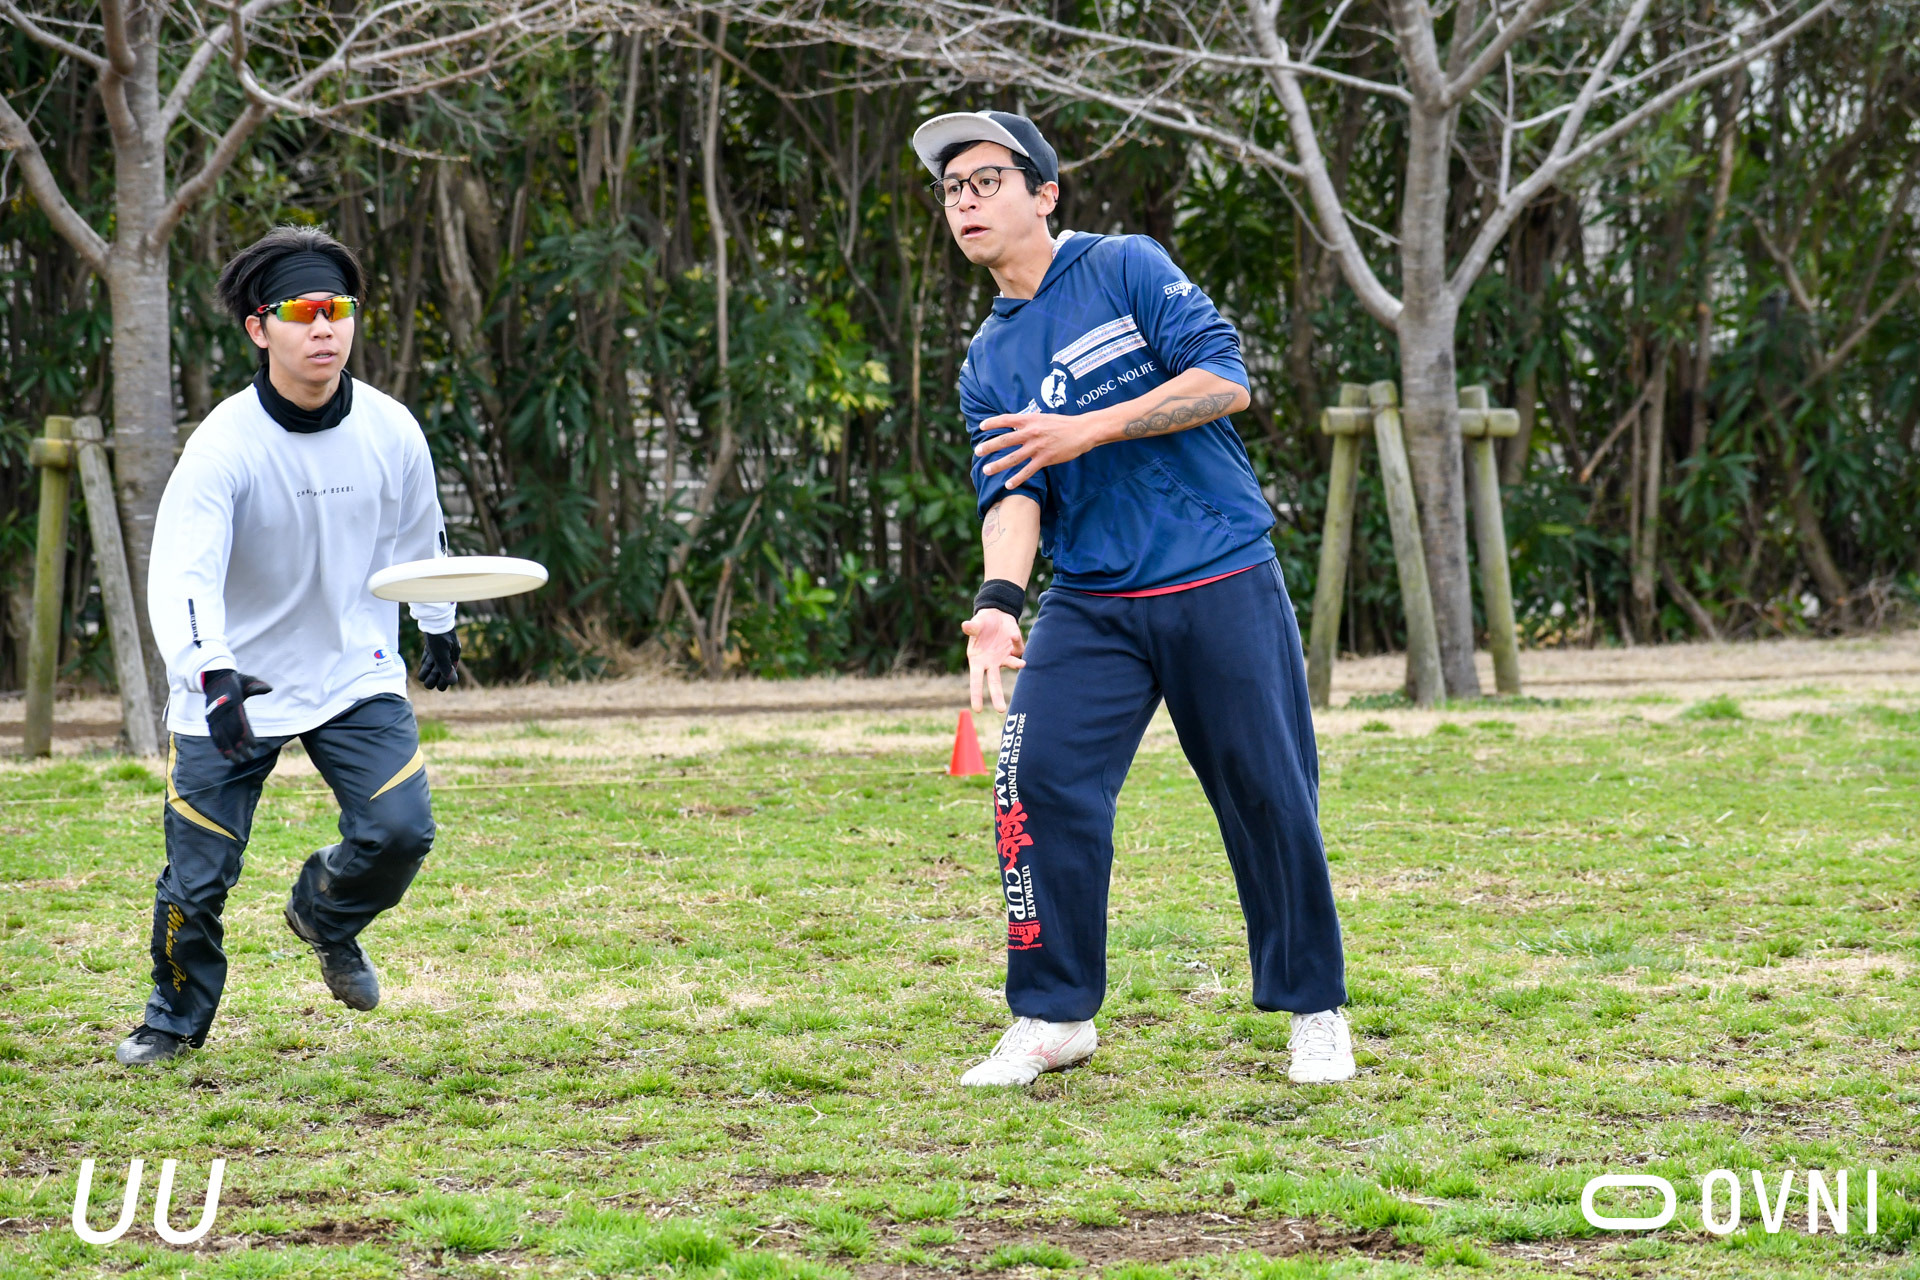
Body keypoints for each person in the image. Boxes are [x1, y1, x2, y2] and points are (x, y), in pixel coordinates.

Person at [910, 111, 1355, 1087]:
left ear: (1044, 192)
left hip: (1218, 570)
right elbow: (1013, 493)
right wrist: (998, 602)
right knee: (1030, 776)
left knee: (1268, 792)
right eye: (951, 190)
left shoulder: (1125, 267)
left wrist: (1090, 427)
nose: (966, 202)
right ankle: (1055, 1014)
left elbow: (1224, 381)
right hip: (1094, 598)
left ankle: (1313, 1007)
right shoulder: (987, 362)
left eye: (986, 181)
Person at [113, 225, 462, 1066]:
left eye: (338, 310)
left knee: (401, 830)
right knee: (198, 879)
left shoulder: (391, 428)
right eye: (303, 312)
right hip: (235, 681)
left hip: (352, 669)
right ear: (259, 328)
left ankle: (324, 915)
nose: (324, 328)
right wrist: (211, 673)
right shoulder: (223, 446)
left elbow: (421, 537)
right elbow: (184, 575)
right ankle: (173, 1019)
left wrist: (439, 624)